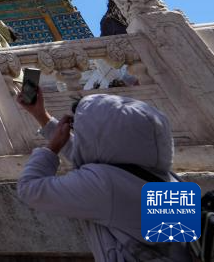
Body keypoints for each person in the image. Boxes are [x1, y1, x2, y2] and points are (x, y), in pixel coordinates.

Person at [16, 89, 191, 261]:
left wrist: (53, 146)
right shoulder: (168, 180)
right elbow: (93, 154)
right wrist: (42, 117)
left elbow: (29, 188)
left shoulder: (105, 187)